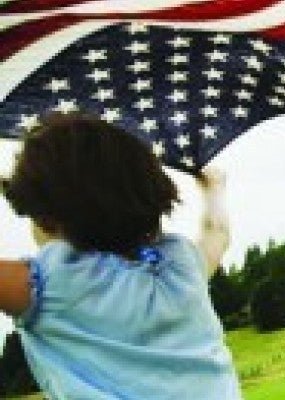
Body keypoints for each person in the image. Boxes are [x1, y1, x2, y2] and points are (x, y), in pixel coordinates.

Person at [0, 114, 241, 399]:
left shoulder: (51, 284)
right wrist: (214, 189)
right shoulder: (180, 266)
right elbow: (218, 233)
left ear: (45, 217)